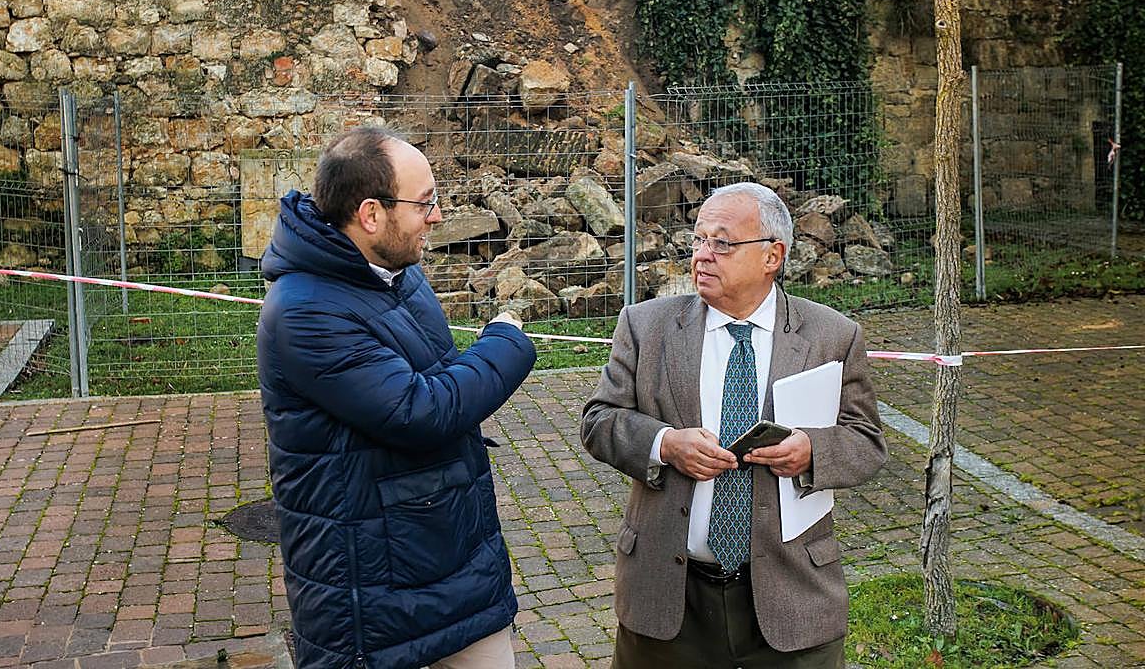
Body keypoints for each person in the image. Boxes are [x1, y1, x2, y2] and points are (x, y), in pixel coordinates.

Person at [257, 126, 536, 669]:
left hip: (450, 558)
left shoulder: (397, 275)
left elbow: (444, 375)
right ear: (370, 214)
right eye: (425, 204)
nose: (437, 217)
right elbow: (421, 411)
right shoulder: (304, 311)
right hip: (372, 591)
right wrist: (506, 341)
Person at [581, 181, 887, 668]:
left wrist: (812, 450)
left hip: (792, 597)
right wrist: (664, 444)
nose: (702, 255)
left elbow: (866, 441)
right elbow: (598, 420)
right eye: (698, 239)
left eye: (721, 242)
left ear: (772, 256)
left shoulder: (832, 335)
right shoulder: (646, 326)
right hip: (668, 597)